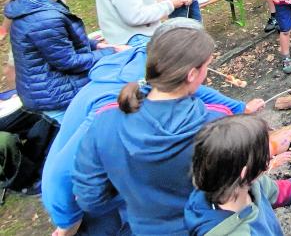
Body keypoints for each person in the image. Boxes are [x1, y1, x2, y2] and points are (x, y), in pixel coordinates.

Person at [43, 18, 262, 236]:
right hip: (199, 225)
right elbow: (234, 184)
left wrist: (133, 194)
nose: (207, 74)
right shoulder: (214, 125)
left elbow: (90, 197)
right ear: (192, 74)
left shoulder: (106, 117)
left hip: (142, 226)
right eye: (206, 67)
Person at [5, 0, 121, 123]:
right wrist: (111, 53)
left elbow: (57, 42)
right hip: (55, 96)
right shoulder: (44, 17)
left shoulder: (37, 0)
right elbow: (68, 61)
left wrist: (95, 45)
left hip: (46, 89)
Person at [185, 114, 291, 236]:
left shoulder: (248, 184)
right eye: (267, 157)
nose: (270, 159)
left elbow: (277, 192)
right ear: (245, 173)